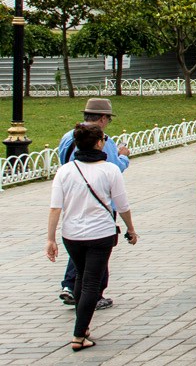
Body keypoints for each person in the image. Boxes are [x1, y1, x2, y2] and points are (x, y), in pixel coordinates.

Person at [47, 122, 138, 351]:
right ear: (99, 143)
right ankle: (79, 335)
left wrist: (50, 239)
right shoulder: (110, 170)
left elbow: (55, 208)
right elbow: (122, 205)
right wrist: (130, 228)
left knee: (80, 277)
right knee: (90, 284)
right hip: (101, 234)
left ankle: (83, 327)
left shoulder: (65, 171)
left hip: (72, 235)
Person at [55, 98, 130, 308]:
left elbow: (64, 163)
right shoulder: (104, 140)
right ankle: (93, 294)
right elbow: (114, 168)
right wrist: (124, 157)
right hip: (100, 203)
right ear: (103, 118)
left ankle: (71, 286)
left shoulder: (67, 138)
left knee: (79, 247)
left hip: (73, 200)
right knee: (97, 250)